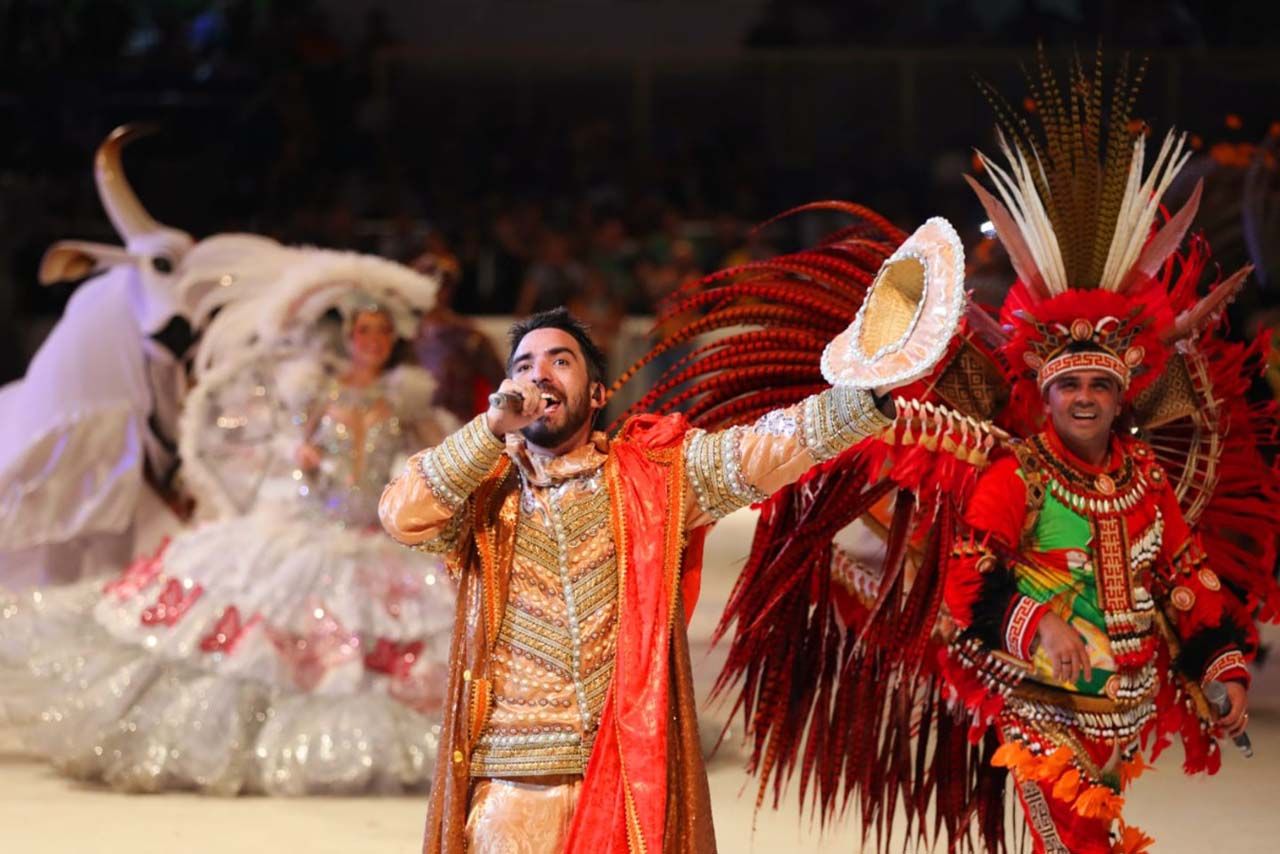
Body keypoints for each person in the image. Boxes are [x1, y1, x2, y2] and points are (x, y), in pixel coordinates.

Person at [379, 303, 925, 853]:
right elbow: (402, 514)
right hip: (511, 790)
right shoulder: (483, 489)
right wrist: (489, 432)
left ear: (596, 394)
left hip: (628, 779)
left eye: (559, 361)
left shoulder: (655, 476)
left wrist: (864, 402)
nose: (537, 375)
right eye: (522, 365)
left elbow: (760, 450)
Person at [0, 254, 459, 796]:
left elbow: (430, 459)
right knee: (260, 645)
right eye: (365, 331)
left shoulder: (405, 401)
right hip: (303, 532)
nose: (374, 342)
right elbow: (270, 443)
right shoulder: (314, 390)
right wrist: (299, 452)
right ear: (350, 336)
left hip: (371, 542)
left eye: (383, 333)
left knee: (379, 649)